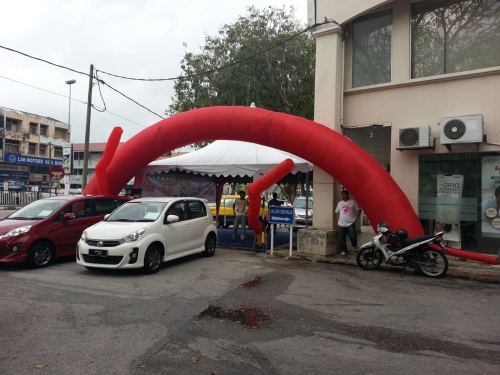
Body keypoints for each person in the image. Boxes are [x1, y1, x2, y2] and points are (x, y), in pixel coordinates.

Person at [335, 189, 362, 256]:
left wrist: (356, 218)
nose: (342, 196)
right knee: (342, 238)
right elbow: (337, 212)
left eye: (344, 195)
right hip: (341, 224)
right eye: (341, 195)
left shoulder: (353, 202)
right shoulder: (340, 203)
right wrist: (337, 220)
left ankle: (354, 245)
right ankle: (344, 250)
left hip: (350, 223)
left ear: (347, 195)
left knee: (353, 236)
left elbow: (359, 210)